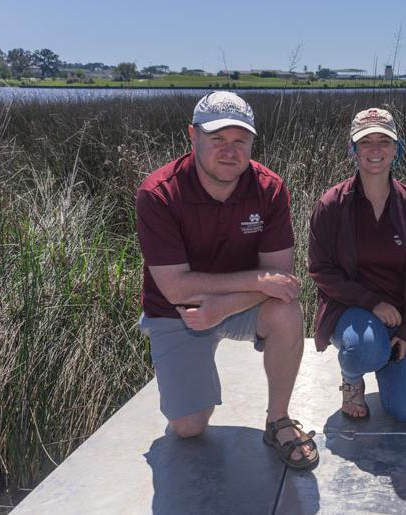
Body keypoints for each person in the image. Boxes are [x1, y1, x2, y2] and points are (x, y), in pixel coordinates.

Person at [135, 91, 318, 469]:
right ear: (193, 135)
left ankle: (278, 419)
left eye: (240, 141)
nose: (229, 150)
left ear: (252, 142)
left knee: (285, 308)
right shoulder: (158, 193)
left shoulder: (269, 189)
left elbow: (282, 282)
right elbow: (176, 288)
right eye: (217, 139)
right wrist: (255, 281)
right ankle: (194, 370)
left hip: (236, 306)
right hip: (177, 313)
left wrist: (223, 307)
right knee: (188, 428)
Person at [308, 108, 406, 422]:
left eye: (384, 141)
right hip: (349, 309)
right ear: (353, 148)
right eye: (366, 141)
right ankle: (353, 377)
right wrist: (371, 302)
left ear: (396, 149)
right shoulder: (331, 205)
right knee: (365, 348)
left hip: (399, 316)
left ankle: (383, 358)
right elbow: (320, 269)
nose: (376, 150)